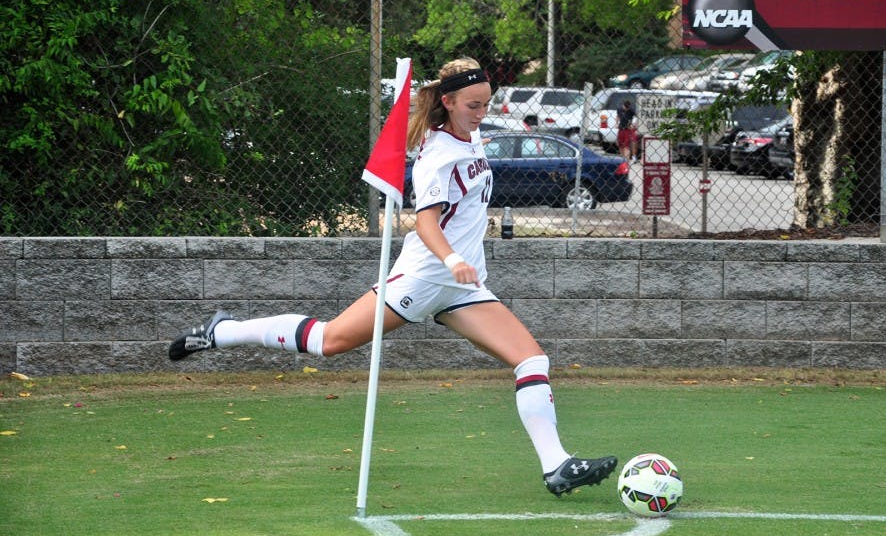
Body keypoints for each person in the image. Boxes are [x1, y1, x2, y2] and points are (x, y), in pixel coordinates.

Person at [169, 57, 617, 496]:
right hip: (425, 278)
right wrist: (449, 260)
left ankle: (557, 465)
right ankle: (222, 331)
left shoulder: (471, 139)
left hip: (462, 286)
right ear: (449, 102)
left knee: (532, 360)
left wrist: (461, 268)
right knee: (330, 342)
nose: (481, 115)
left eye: (486, 104)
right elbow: (424, 223)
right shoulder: (439, 156)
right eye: (473, 106)